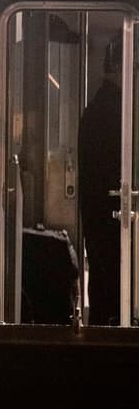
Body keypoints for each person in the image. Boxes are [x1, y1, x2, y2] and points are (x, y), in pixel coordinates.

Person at [79, 35, 124, 326]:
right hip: (108, 206)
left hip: (97, 206)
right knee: (111, 270)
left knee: (101, 270)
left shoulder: (97, 107)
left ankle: (101, 322)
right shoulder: (114, 109)